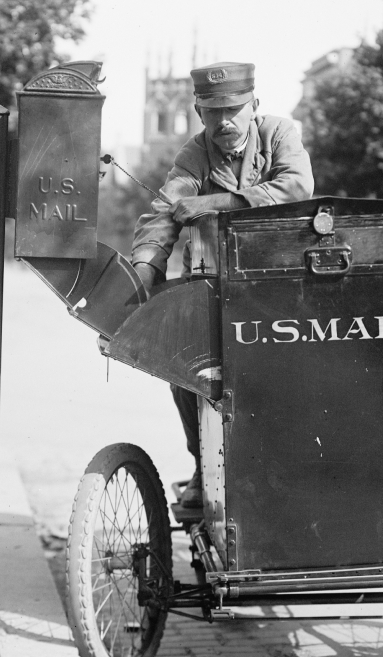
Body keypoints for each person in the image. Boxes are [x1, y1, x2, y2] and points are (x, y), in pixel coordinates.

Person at [130, 62, 314, 507]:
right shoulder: (194, 155)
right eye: (213, 113)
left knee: (290, 376)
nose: (224, 121)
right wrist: (143, 271)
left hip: (279, 287)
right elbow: (164, 213)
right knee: (185, 374)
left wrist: (219, 203)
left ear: (254, 105)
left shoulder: (279, 134)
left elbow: (296, 188)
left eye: (234, 109)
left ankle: (296, 469)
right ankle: (203, 467)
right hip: (213, 285)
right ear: (198, 112)